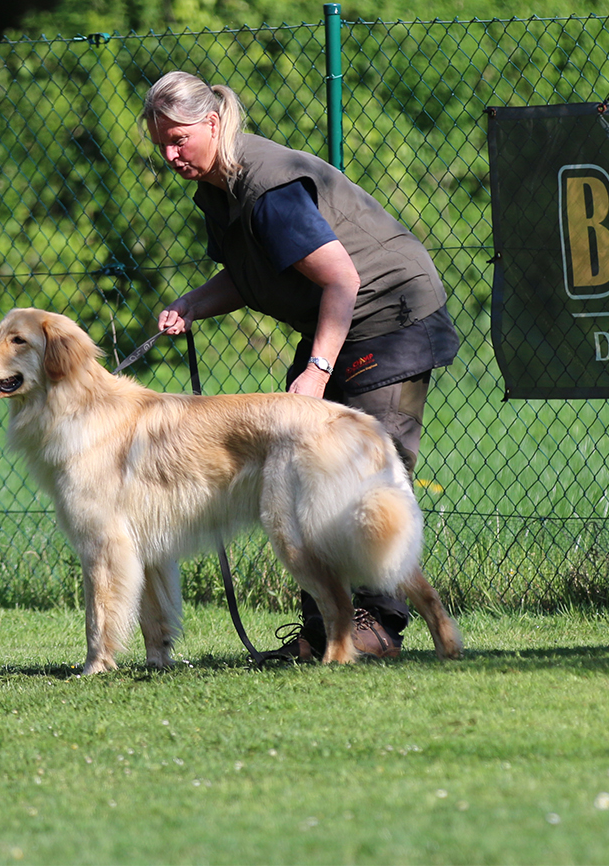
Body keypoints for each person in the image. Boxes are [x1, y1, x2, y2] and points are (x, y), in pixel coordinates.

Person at [142, 70, 460, 660]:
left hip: (387, 312)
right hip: (334, 320)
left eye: (179, 139)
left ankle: (375, 625)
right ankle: (325, 632)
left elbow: (342, 277)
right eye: (160, 143)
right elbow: (248, 274)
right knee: (304, 477)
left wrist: (317, 368)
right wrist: (193, 304)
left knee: (363, 479)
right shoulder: (217, 187)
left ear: (212, 123)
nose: (170, 155)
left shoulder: (267, 187)